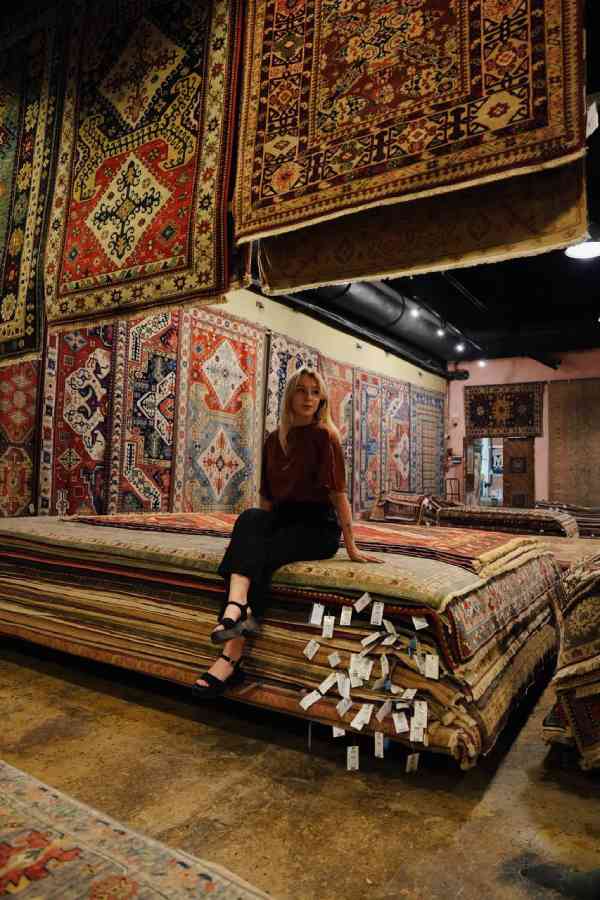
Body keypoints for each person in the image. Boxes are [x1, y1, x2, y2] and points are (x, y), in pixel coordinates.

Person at [193, 367, 382, 697]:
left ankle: (229, 657)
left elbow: (339, 495)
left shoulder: (325, 436)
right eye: (301, 390)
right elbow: (266, 497)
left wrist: (351, 546)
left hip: (316, 528)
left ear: (322, 399)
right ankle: (238, 605)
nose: (309, 398)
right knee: (249, 521)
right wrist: (252, 537)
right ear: (290, 396)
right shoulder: (274, 439)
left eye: (315, 392)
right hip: (283, 518)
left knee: (260, 557)